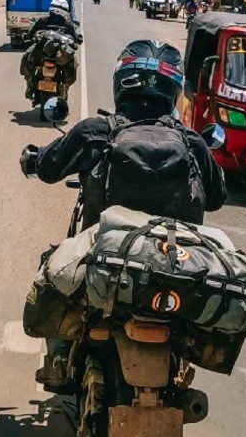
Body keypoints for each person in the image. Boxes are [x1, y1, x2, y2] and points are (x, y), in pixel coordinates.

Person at [20, 40, 227, 389]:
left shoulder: (96, 132)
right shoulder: (191, 142)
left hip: (107, 259)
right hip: (176, 263)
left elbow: (48, 168)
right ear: (174, 90)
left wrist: (32, 158)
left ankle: (59, 358)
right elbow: (217, 197)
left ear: (121, 83)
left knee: (55, 272)